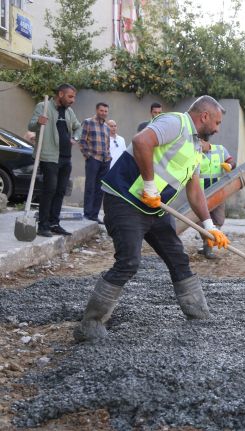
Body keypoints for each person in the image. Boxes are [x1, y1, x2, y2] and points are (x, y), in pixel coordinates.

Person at [73, 95, 229, 342]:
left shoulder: (196, 145)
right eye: (217, 122)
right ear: (204, 116)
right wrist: (149, 186)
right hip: (125, 200)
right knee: (128, 262)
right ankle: (89, 325)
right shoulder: (176, 123)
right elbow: (141, 140)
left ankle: (200, 316)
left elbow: (195, 190)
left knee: (178, 258)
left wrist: (209, 226)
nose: (218, 129)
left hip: (154, 208)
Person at [27, 83, 82, 238]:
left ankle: (54, 223)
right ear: (60, 94)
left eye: (74, 97)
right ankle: (43, 225)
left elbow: (78, 127)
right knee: (49, 189)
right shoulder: (43, 107)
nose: (73, 100)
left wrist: (75, 138)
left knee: (60, 191)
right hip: (49, 156)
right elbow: (30, 126)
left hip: (66, 157)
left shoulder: (70, 112)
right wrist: (39, 122)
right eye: (70, 96)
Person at [197, 138, 236, 259]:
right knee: (200, 221)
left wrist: (229, 165)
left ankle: (207, 246)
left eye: (199, 143)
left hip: (218, 193)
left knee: (218, 220)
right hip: (201, 195)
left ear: (205, 141)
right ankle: (207, 247)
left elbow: (232, 162)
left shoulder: (220, 150)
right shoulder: (194, 152)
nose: (197, 145)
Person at [79, 102, 111, 224]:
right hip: (93, 159)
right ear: (97, 110)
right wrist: (88, 156)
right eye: (101, 110)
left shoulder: (107, 127)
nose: (103, 113)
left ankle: (94, 215)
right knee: (90, 186)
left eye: (105, 111)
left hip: (105, 161)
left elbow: (107, 144)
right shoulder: (88, 122)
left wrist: (109, 157)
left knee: (100, 189)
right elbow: (82, 141)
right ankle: (87, 213)